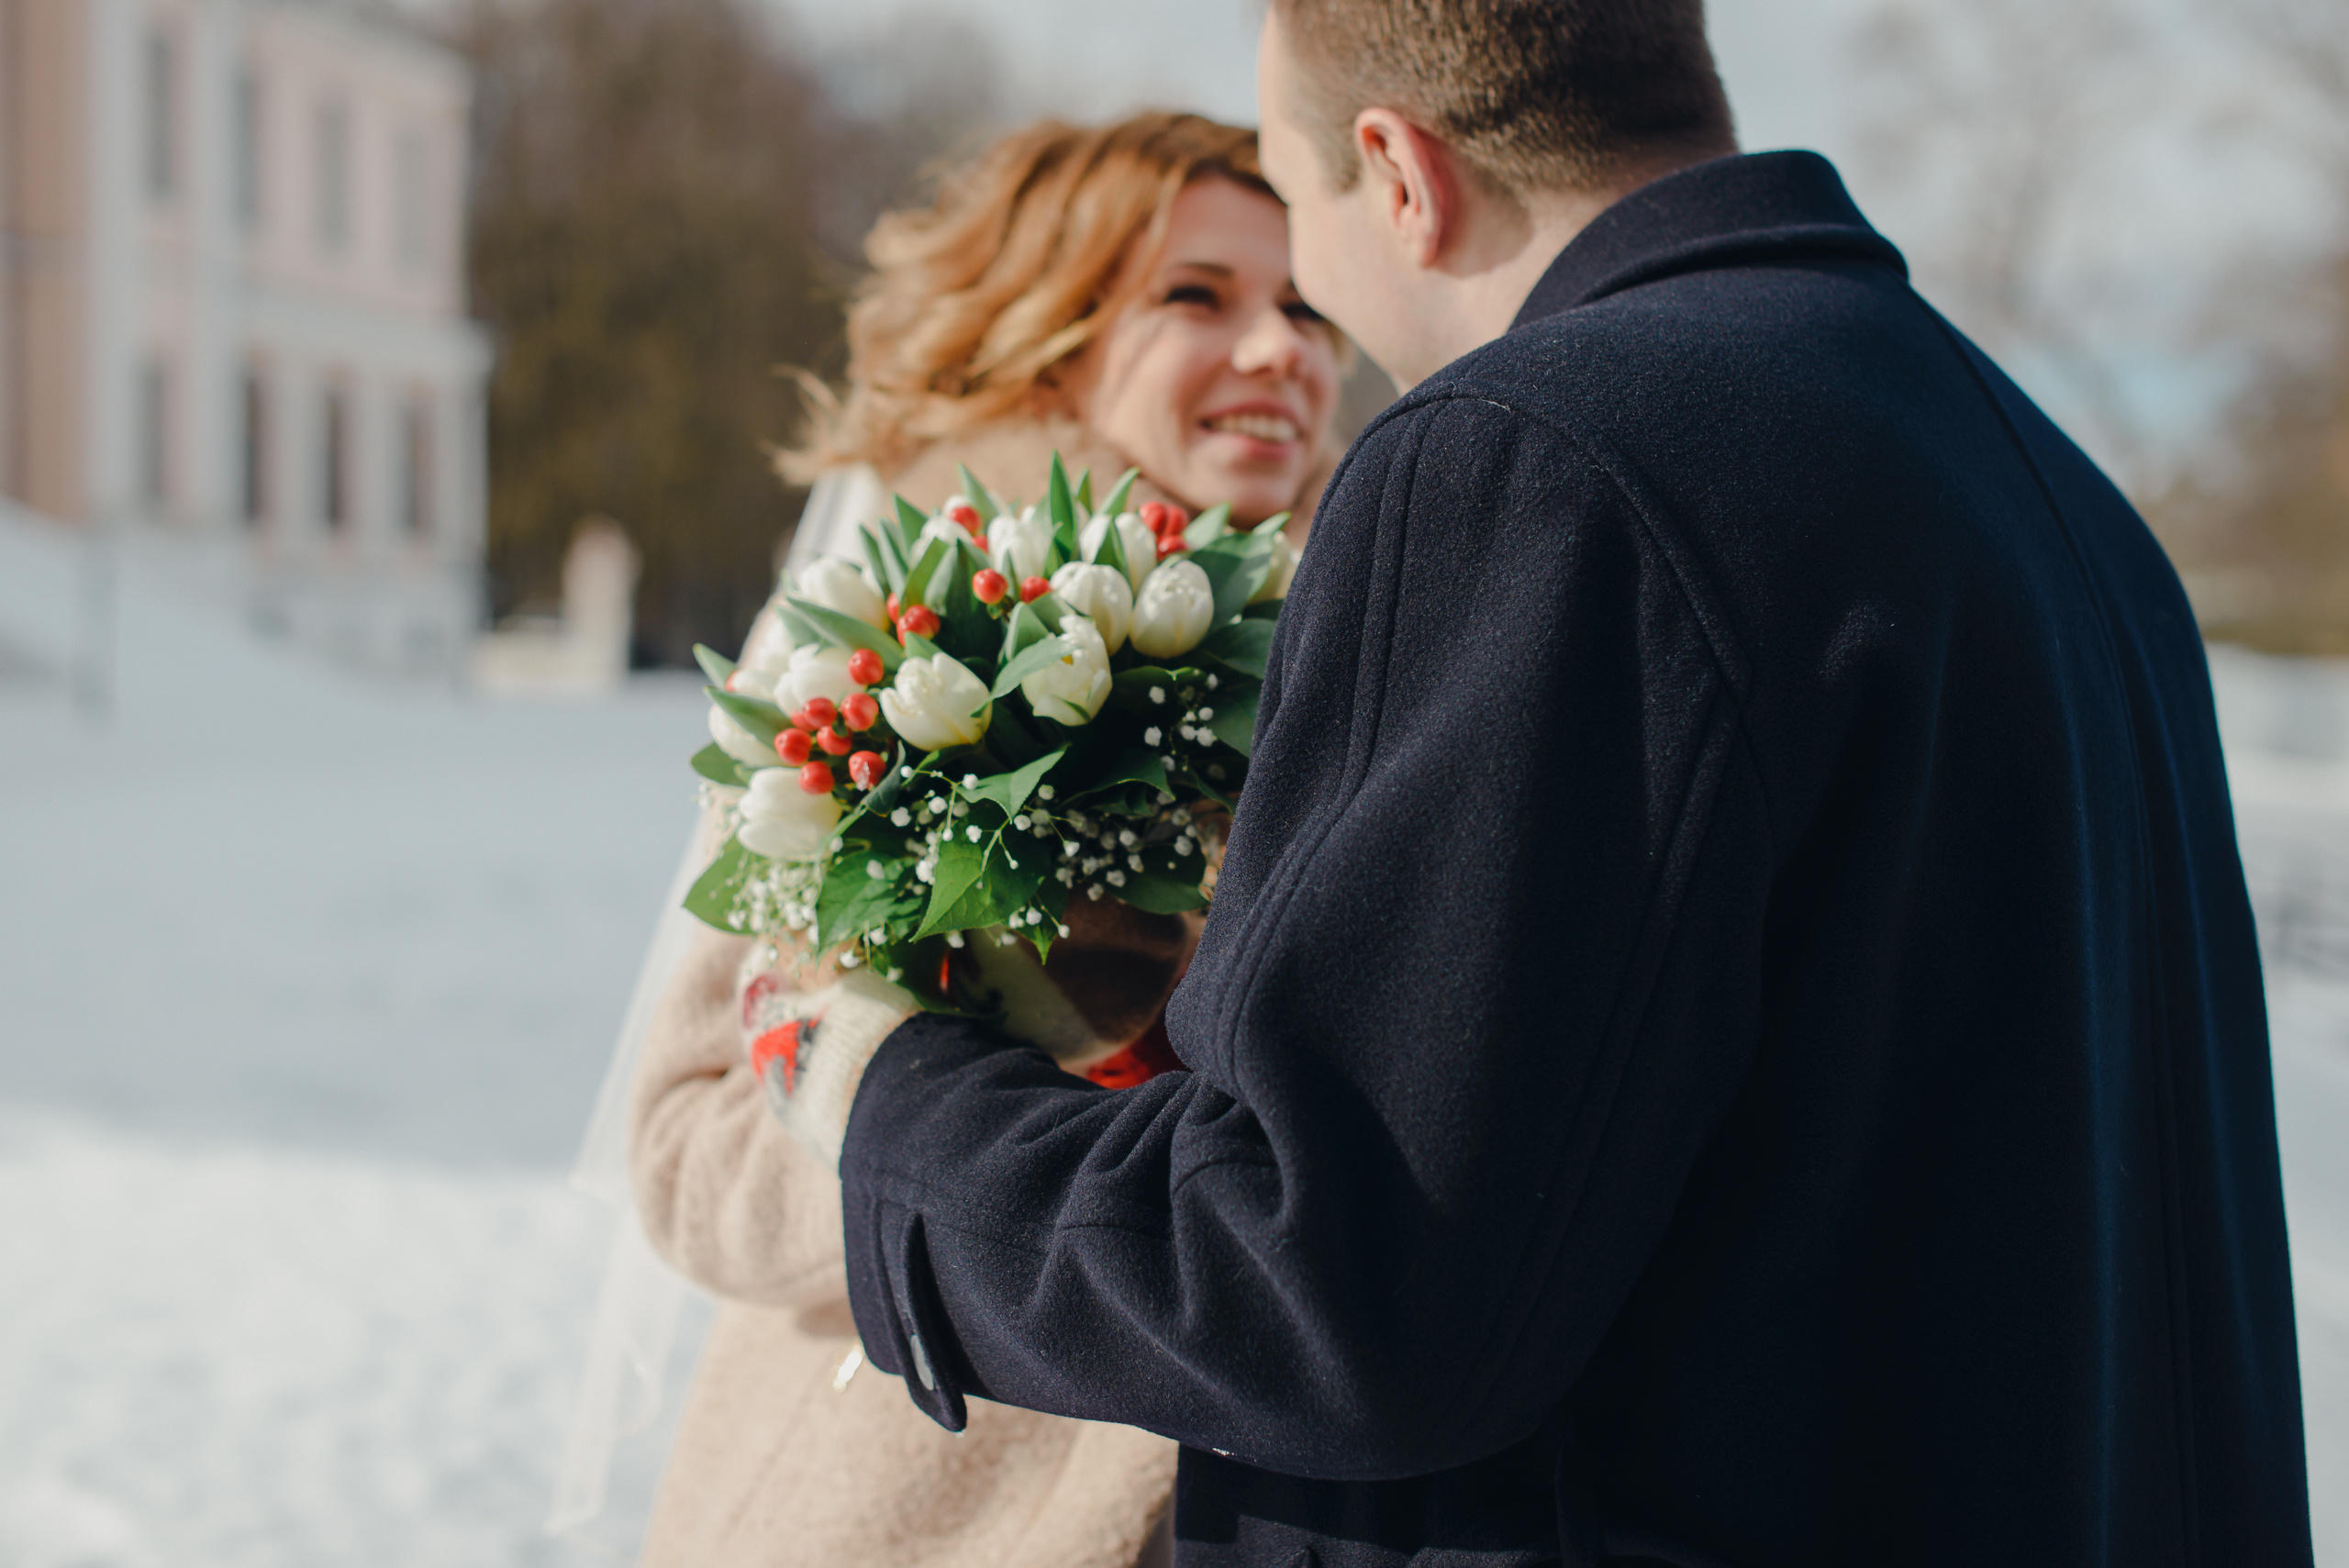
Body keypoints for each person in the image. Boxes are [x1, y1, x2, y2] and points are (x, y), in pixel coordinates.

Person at [763, 3, 2317, 1564]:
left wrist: (892, 1097)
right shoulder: (2053, 492)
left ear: (1398, 174)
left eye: (1297, 213)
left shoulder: (1539, 455)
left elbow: (1333, 1291)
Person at [604, 111, 1343, 1568]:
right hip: (897, 1510)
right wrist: (1017, 1112)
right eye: (1198, 297)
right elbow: (687, 1142)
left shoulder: (1389, 647)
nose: (1281, 347)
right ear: (1049, 334)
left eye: (1310, 301)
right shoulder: (888, 645)